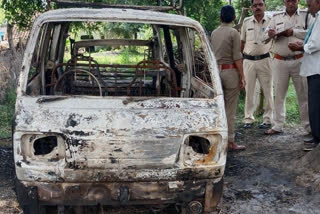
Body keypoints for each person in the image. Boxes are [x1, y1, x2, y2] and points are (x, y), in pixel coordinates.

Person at [265, 0, 313, 136]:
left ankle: (308, 126)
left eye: (293, 0)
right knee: (279, 94)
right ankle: (277, 124)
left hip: (300, 59)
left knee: (303, 94)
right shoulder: (276, 17)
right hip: (280, 61)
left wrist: (293, 32)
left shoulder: (307, 15)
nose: (290, 3)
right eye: (287, 0)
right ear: (284, 2)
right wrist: (269, 34)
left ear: (297, 1)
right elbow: (265, 35)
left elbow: (311, 33)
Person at [210, 5, 246, 151]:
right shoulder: (234, 33)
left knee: (219, 108)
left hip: (216, 74)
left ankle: (217, 140)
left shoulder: (214, 33)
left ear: (220, 18)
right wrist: (242, 76)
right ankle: (230, 141)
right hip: (230, 73)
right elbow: (237, 57)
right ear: (234, 18)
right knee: (230, 110)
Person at [288, 0, 320, 150]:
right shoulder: (316, 18)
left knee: (314, 105)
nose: (308, 9)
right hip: (314, 68)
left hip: (316, 69)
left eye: (309, 5)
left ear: (318, 3)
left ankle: (317, 138)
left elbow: (315, 44)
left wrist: (301, 47)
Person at [241, 0, 273, 129]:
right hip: (248, 61)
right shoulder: (246, 21)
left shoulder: (271, 20)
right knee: (249, 90)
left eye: (260, 5)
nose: (257, 7)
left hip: (265, 60)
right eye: (255, 5)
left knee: (268, 90)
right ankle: (248, 118)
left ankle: (268, 119)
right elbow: (241, 42)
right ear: (251, 8)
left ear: (264, 6)